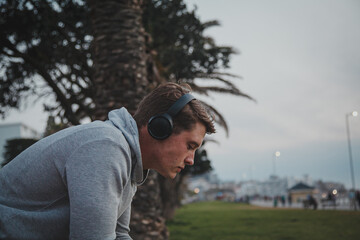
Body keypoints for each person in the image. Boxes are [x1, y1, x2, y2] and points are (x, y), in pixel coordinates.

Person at [0, 82, 215, 239]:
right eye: (190, 146)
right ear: (160, 128)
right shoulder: (105, 147)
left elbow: (119, 234)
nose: (191, 160)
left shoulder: (127, 161)